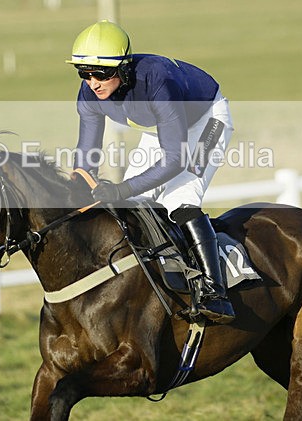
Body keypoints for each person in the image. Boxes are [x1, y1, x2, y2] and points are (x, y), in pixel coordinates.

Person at [68, 20, 235, 324]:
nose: (93, 82)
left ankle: (216, 292)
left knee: (179, 200)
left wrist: (120, 188)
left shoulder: (158, 81)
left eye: (102, 73)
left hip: (207, 120)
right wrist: (77, 184)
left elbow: (174, 160)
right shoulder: (89, 93)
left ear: (123, 68)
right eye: (85, 73)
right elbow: (87, 151)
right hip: (162, 129)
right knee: (133, 207)